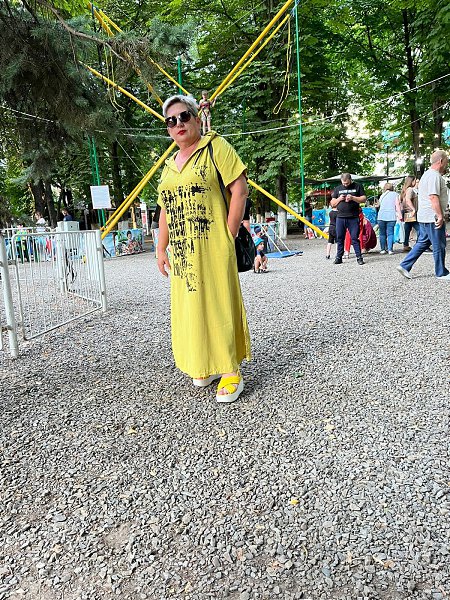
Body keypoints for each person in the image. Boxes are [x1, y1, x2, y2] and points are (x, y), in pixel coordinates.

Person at [157, 94, 250, 403]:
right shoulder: (169, 166)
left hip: (213, 245)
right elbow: (165, 208)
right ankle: (204, 363)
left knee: (219, 303)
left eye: (184, 116)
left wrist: (229, 233)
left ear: (197, 119)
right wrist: (161, 248)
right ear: (168, 129)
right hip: (183, 252)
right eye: (171, 121)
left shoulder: (215, 147)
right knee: (190, 308)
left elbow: (239, 188)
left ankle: (230, 369)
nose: (178, 124)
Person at [397, 150, 450, 280]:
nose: (447, 164)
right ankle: (441, 273)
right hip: (432, 216)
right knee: (439, 244)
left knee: (423, 243)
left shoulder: (427, 175)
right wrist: (440, 215)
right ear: (441, 161)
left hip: (425, 216)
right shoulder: (434, 176)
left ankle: (404, 265)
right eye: (447, 161)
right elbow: (433, 197)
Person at [331, 173, 367, 265]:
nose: (345, 185)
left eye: (347, 183)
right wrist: (339, 199)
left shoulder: (357, 186)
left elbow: (363, 199)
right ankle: (339, 257)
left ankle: (359, 257)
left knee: (354, 238)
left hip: (353, 217)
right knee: (340, 238)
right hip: (340, 217)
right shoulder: (338, 188)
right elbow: (332, 203)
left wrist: (353, 198)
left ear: (350, 180)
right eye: (343, 183)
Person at [377, 182, 402, 255]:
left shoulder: (382, 195)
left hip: (381, 216)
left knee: (382, 234)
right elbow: (397, 205)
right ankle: (390, 250)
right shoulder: (396, 194)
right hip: (391, 216)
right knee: (390, 233)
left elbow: (379, 205)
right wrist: (400, 215)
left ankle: (383, 249)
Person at [400, 176, 420, 252]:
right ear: (412, 181)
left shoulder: (404, 190)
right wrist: (413, 209)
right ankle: (419, 245)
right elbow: (408, 200)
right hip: (411, 213)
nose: (415, 182)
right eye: (414, 180)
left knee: (407, 230)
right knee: (420, 230)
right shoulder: (410, 189)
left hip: (407, 213)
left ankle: (406, 245)